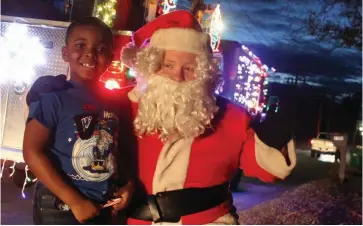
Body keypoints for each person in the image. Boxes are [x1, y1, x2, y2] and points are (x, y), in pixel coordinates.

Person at [27, 11, 296, 225]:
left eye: (189, 68)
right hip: (135, 221)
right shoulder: (119, 103)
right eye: (168, 65)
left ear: (203, 73)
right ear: (151, 66)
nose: (178, 77)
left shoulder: (230, 115)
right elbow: (81, 100)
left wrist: (276, 130)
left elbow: (269, 169)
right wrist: (52, 87)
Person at [23, 17, 133, 225]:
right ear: (65, 53)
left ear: (110, 57)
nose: (90, 53)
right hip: (60, 209)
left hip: (101, 208)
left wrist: (127, 185)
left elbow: (115, 150)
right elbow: (32, 151)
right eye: (81, 45)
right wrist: (75, 201)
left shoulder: (114, 104)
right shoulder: (53, 98)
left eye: (101, 49)